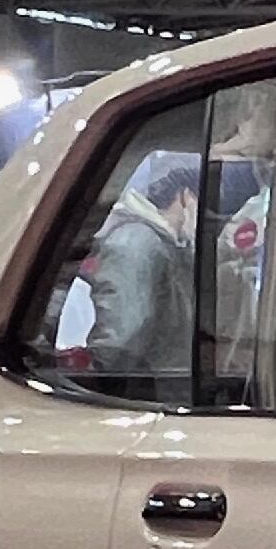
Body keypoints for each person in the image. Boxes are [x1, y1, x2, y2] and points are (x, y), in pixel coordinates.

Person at [83, 157, 198, 384]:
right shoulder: (136, 242)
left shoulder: (166, 244)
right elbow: (123, 331)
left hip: (163, 388)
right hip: (146, 393)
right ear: (184, 195)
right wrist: (104, 383)